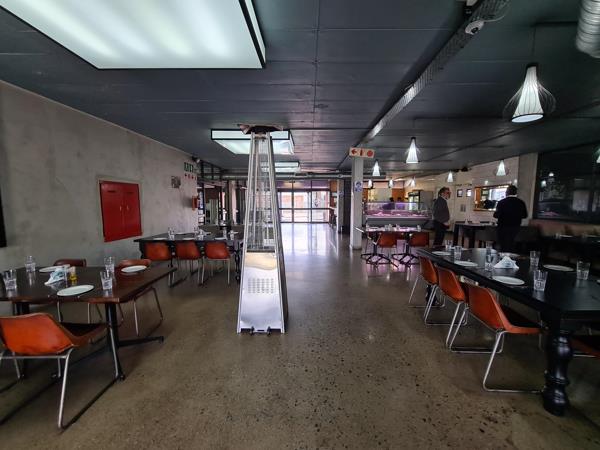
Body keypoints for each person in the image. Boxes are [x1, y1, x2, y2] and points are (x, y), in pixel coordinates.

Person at [493, 185, 527, 252]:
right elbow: (525, 215)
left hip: (503, 227)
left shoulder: (501, 202)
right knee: (512, 245)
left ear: (507, 192)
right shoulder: (521, 202)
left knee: (503, 245)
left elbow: (496, 215)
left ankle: (503, 257)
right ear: (515, 192)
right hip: (515, 227)